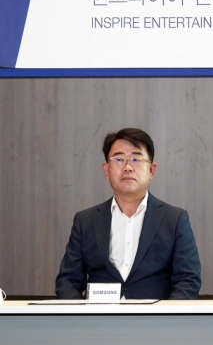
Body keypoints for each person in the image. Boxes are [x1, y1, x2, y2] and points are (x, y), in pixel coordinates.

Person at [56, 128, 201, 300]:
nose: (127, 167)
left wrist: (165, 314)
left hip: (154, 315)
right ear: (106, 170)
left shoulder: (174, 220)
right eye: (118, 159)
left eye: (136, 159)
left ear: (151, 170)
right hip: (99, 315)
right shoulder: (86, 221)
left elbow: (188, 280)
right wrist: (81, 315)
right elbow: (68, 280)